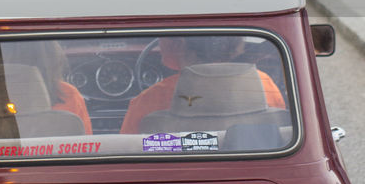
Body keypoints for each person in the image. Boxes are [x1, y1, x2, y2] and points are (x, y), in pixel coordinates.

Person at [120, 35, 285, 134]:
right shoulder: (264, 84)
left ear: (178, 44)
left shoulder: (148, 100)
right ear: (236, 44)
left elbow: (127, 156)